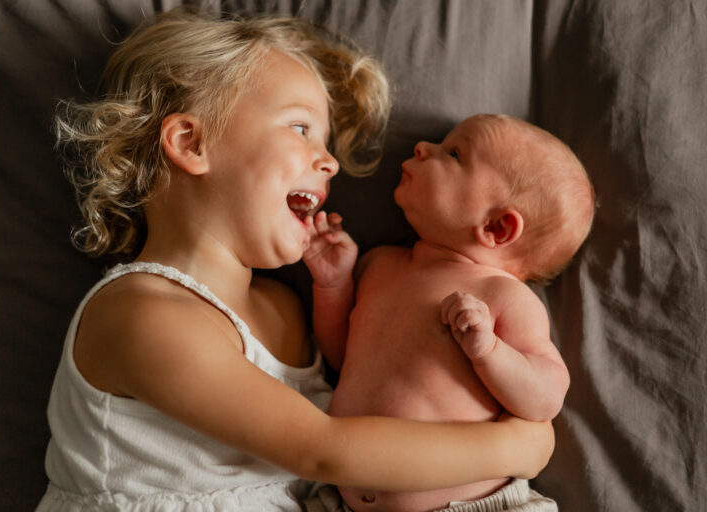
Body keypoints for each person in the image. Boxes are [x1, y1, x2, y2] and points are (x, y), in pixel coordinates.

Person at [36, 7, 554, 511]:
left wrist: (335, 292)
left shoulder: (285, 308)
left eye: (326, 143)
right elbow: (324, 450)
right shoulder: (139, 314)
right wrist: (514, 449)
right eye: (301, 128)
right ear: (192, 142)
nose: (329, 163)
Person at [304, 113, 595, 512]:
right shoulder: (379, 265)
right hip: (342, 500)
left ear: (496, 227)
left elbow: (544, 398)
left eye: (454, 153)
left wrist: (489, 351)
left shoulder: (503, 296)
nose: (423, 148)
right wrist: (332, 284)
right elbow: (341, 357)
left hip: (469, 504)